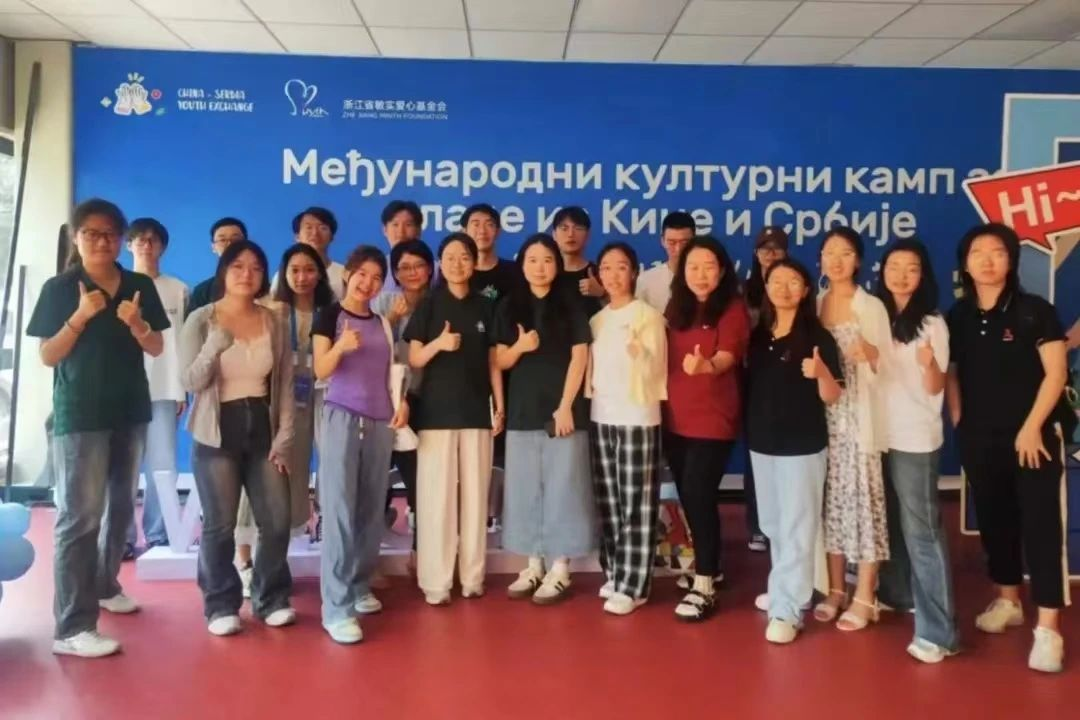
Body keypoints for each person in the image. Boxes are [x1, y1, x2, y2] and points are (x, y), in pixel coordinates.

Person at [29, 199, 168, 658]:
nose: (102, 241)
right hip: (81, 414)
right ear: (77, 237)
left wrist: (137, 323)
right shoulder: (60, 288)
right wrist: (80, 317)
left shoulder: (138, 285)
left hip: (129, 410)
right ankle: (72, 628)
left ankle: (106, 585)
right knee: (80, 518)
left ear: (121, 239)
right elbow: (48, 355)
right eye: (92, 233)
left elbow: (156, 347)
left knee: (122, 508)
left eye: (110, 233)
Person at [946, 223, 1071, 673]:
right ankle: (1008, 600)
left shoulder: (1035, 311)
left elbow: (1056, 373)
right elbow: (952, 371)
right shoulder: (958, 316)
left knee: (1041, 527)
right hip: (981, 438)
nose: (987, 260)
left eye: (996, 251)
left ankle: (1048, 629)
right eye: (977, 252)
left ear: (1011, 260)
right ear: (965, 264)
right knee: (995, 521)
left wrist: (1033, 427)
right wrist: (959, 418)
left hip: (1033, 439)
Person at [180, 240, 296, 637]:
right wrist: (213, 347)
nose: (247, 274)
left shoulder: (274, 321)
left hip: (261, 424)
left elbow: (284, 382)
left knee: (277, 520)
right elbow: (190, 381)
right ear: (224, 272)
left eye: (256, 268)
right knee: (220, 525)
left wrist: (284, 435)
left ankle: (270, 598)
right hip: (216, 429)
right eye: (238, 266)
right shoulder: (201, 319)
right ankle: (220, 604)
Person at [313, 245, 409, 644]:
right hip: (341, 418)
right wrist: (339, 347)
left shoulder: (384, 323)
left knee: (371, 508)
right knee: (339, 509)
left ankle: (357, 584)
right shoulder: (329, 315)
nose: (368, 283)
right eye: (362, 275)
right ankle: (335, 609)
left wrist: (401, 403)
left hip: (380, 421)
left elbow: (390, 371)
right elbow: (320, 369)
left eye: (376, 277)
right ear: (347, 275)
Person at [405, 232, 505, 605]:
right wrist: (439, 344)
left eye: (464, 256)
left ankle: (473, 577)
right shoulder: (429, 305)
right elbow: (414, 357)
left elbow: (494, 361)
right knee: (436, 499)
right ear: (440, 263)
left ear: (474, 262)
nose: (457, 263)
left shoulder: (486, 306)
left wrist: (499, 405)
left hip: (477, 411)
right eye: (449, 257)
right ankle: (436, 582)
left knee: (476, 498)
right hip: (435, 414)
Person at [747, 258, 843, 644]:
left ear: (805, 291)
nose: (783, 288)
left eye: (793, 281)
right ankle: (784, 588)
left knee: (797, 526)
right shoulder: (759, 335)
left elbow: (833, 395)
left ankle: (788, 609)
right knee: (773, 524)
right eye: (776, 280)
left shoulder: (818, 337)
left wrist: (821, 374)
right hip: (762, 443)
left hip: (801, 445)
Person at [873, 239, 959, 664]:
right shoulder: (877, 316)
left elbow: (935, 386)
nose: (901, 275)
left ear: (922, 275)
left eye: (911, 267)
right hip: (879, 434)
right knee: (891, 522)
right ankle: (897, 593)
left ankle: (939, 632)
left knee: (922, 531)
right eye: (894, 266)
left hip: (914, 437)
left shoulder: (932, 323)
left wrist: (929, 364)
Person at [496, 233, 594, 604]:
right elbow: (499, 360)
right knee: (525, 488)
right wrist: (521, 347)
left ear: (557, 265)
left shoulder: (571, 303)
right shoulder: (510, 305)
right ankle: (533, 563)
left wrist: (566, 405)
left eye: (548, 260)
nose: (540, 267)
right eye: (533, 260)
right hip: (523, 409)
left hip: (564, 412)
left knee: (564, 487)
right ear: (522, 265)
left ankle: (561, 567)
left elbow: (580, 356)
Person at [663, 236, 749, 621]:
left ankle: (704, 586)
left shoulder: (732, 308)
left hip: (713, 418)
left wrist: (707, 366)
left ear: (722, 270)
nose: (700, 274)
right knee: (689, 496)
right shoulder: (676, 307)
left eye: (709, 266)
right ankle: (710, 566)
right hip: (674, 417)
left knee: (699, 494)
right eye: (693, 267)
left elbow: (727, 356)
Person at [814, 226, 891, 632]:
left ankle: (865, 594)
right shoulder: (815, 303)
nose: (836, 260)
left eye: (845, 253)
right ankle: (834, 590)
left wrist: (871, 354)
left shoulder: (871, 306)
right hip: (823, 420)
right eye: (829, 252)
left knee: (863, 504)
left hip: (859, 418)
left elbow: (888, 365)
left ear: (858, 260)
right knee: (831, 506)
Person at [587, 242, 667, 616]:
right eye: (606, 268)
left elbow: (658, 370)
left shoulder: (649, 316)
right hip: (601, 415)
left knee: (636, 502)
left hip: (637, 416)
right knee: (609, 500)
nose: (613, 275)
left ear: (634, 272)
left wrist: (642, 354)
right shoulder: (597, 320)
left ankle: (635, 585)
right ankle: (616, 571)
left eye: (621, 267)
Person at [123, 218, 188, 555]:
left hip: (164, 390)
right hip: (124, 390)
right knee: (123, 469)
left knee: (163, 467)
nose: (146, 246)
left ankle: (160, 533)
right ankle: (122, 539)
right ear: (128, 245)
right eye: (140, 240)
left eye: (153, 240)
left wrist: (181, 390)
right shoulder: (117, 286)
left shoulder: (178, 289)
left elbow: (183, 343)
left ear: (162, 246)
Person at [371, 239, 435, 555]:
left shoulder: (439, 303)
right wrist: (392, 320)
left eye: (419, 265)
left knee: (420, 477)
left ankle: (420, 549)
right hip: (384, 401)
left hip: (426, 400)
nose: (412, 273)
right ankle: (370, 546)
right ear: (394, 273)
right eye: (404, 267)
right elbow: (370, 347)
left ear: (430, 269)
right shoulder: (383, 303)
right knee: (376, 473)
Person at [267, 244, 334, 537]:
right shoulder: (273, 311)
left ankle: (327, 518)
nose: (302, 277)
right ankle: (289, 526)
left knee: (330, 458)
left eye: (309, 270)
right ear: (284, 273)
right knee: (288, 459)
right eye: (294, 270)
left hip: (324, 394)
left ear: (320, 274)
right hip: (284, 395)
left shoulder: (331, 312)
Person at [741, 226, 789, 553]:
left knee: (787, 455)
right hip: (753, 379)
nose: (770, 254)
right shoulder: (745, 291)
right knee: (755, 454)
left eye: (776, 248)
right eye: (764, 248)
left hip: (787, 379)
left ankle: (784, 521)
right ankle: (758, 524)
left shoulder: (794, 285)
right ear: (756, 253)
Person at [275, 207, 346, 300]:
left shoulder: (343, 274)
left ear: (332, 237)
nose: (315, 233)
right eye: (309, 227)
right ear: (297, 237)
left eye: (322, 228)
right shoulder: (284, 275)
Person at [636, 211, 695, 313]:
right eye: (672, 242)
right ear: (663, 241)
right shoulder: (646, 281)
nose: (678, 249)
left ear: (694, 240)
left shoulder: (705, 278)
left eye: (684, 243)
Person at [187, 218, 247, 316]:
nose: (229, 244)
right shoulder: (202, 291)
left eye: (235, 239)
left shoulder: (261, 287)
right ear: (213, 247)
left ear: (247, 244)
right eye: (222, 240)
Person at [553, 206, 604, 316]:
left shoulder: (600, 274)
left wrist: (601, 294)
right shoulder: (545, 274)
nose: (571, 234)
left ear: (588, 235)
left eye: (578, 228)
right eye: (564, 228)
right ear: (554, 235)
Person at [463, 203, 517, 303]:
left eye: (489, 225)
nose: (482, 231)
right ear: (464, 231)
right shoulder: (456, 272)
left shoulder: (515, 271)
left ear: (498, 231)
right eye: (476, 224)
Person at [380, 200, 423, 293]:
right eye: (395, 224)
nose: (401, 232)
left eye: (408, 225)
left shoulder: (433, 269)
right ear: (385, 230)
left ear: (419, 230)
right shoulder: (378, 267)